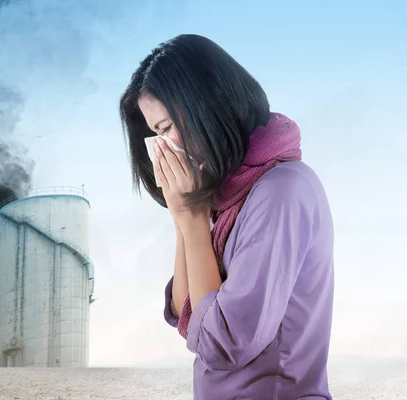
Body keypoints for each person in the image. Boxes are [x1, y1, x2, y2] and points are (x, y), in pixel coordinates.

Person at [119, 34, 334, 399]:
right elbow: (186, 314)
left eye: (167, 128)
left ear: (208, 104)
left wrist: (191, 218)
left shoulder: (280, 190)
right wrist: (185, 217)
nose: (164, 149)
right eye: (156, 135)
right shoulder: (229, 199)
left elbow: (222, 344)